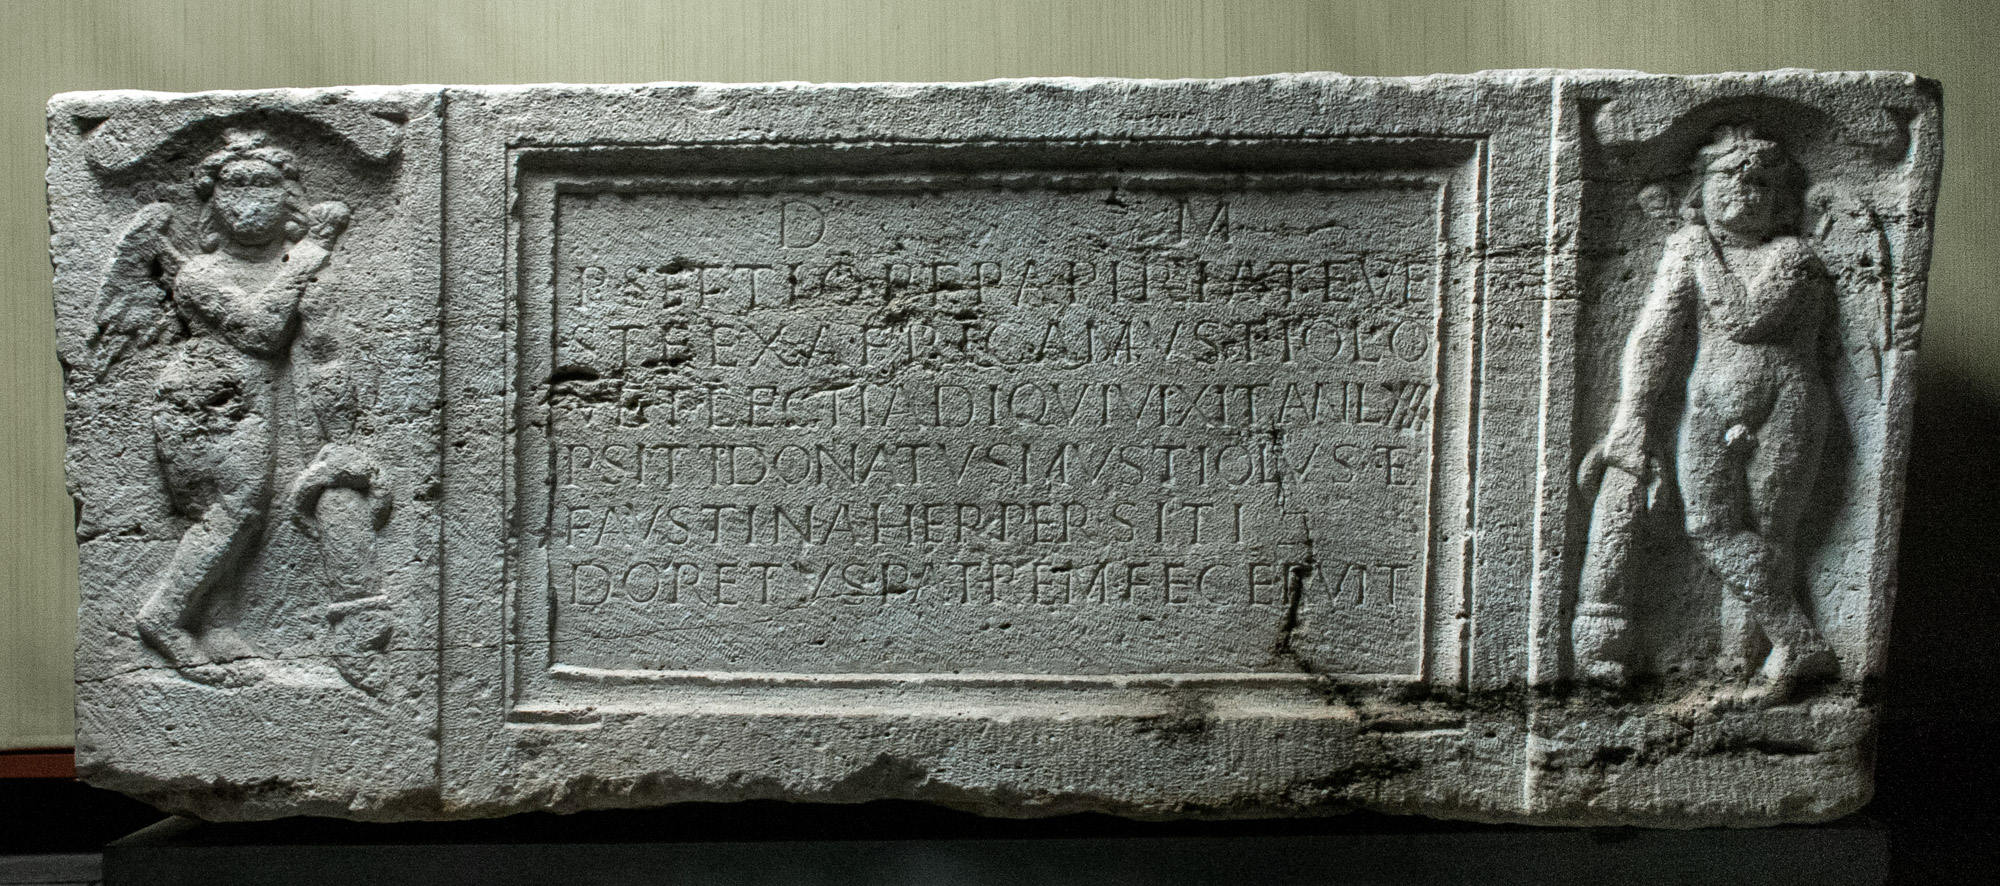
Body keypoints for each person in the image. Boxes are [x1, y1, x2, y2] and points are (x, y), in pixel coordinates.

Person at [1576, 124, 1837, 702]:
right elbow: (1656, 333)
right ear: (1701, 187)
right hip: (1709, 405)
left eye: (1761, 182)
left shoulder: (1791, 255)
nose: (1746, 189)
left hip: (1784, 404)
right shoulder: (1688, 251)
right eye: (1730, 176)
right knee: (1710, 528)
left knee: (1769, 533)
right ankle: (1796, 642)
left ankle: (1743, 662)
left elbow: (1745, 319)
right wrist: (1632, 416)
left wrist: (1697, 251)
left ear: (1781, 200)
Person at [117, 129, 351, 680]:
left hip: (253, 401)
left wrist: (343, 435)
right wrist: (309, 254)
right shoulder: (199, 273)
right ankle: (164, 617)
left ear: (288, 199)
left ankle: (214, 620)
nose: (248, 200)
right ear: (213, 203)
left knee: (246, 519)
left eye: (263, 184)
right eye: (233, 186)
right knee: (232, 514)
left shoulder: (297, 269)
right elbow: (259, 330)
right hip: (206, 402)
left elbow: (324, 350)